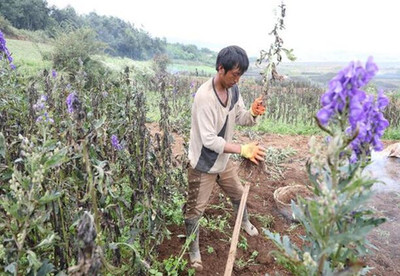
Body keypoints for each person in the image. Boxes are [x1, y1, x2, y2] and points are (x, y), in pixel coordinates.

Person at [184, 45, 266, 271]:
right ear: (221, 68)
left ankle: (246, 222)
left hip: (222, 162)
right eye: (235, 74)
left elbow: (240, 116)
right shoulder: (204, 97)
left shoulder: (233, 91)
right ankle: (194, 251)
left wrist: (253, 113)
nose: (237, 80)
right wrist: (243, 149)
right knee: (195, 210)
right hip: (203, 163)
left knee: (238, 194)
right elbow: (210, 140)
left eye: (240, 75)